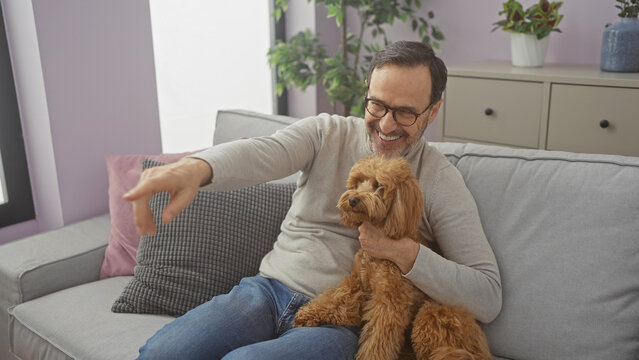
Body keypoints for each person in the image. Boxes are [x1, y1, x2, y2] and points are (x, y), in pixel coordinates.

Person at [126, 40, 502, 360]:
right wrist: (194, 169)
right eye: (378, 105)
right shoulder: (327, 132)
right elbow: (263, 153)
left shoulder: (439, 179)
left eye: (405, 112)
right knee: (161, 354)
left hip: (341, 324)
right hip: (266, 291)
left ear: (433, 111)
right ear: (366, 95)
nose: (387, 125)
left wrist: (402, 252)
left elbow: (486, 294)